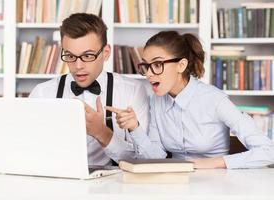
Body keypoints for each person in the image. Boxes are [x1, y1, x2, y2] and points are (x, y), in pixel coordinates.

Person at [106, 30, 274, 169]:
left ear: (181, 65)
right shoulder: (156, 102)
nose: (149, 74)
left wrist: (212, 163)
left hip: (216, 185)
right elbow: (155, 157)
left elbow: (268, 151)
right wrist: (135, 128)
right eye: (146, 66)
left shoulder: (215, 100)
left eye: (157, 65)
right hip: (176, 183)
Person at [29, 13, 149, 166]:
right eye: (70, 56)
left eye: (87, 56)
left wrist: (102, 133)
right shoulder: (42, 93)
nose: (78, 66)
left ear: (105, 53)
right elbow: (29, 150)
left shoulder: (132, 91)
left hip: (114, 186)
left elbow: (143, 160)